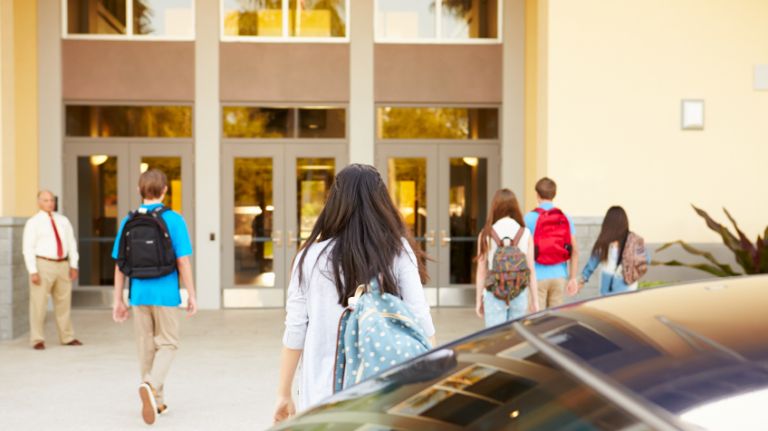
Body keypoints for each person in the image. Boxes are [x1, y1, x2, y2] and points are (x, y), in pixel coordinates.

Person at [273, 164, 436, 423]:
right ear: (381, 203)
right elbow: (421, 320)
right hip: (385, 390)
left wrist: (283, 393)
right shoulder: (398, 251)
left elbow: (295, 329)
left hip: (321, 394)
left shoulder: (309, 256)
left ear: (335, 203)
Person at [111, 169, 197, 426]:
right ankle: (150, 384)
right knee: (168, 343)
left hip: (138, 293)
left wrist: (118, 299)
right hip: (166, 293)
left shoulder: (128, 221)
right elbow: (182, 261)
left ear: (139, 191)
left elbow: (119, 264)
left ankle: (156, 400)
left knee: (146, 346)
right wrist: (191, 294)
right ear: (165, 190)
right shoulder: (173, 219)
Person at [22, 190, 82, 350]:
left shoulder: (63, 221)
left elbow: (71, 243)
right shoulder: (33, 223)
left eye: (52, 200)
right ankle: (37, 339)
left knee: (64, 302)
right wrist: (32, 271)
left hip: (62, 265)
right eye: (46, 200)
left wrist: (73, 265)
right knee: (38, 303)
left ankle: (67, 337)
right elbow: (28, 248)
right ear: (39, 202)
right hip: (43, 265)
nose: (50, 203)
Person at [475, 189, 540, 327]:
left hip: (494, 293)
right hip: (519, 291)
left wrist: (479, 300)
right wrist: (535, 300)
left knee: (495, 339)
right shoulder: (525, 233)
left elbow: (481, 271)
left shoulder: (486, 233)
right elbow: (531, 270)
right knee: (517, 338)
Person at [523, 177, 580, 308]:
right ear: (554, 194)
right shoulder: (565, 218)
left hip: (537, 277)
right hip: (559, 276)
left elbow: (523, 250)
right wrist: (572, 278)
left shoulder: (529, 218)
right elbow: (574, 251)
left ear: (537, 195)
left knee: (536, 322)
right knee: (554, 321)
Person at [579, 206, 647, 296]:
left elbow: (591, 264)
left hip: (606, 291)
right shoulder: (634, 240)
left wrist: (581, 280)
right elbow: (644, 262)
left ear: (607, 223)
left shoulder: (604, 242)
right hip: (628, 290)